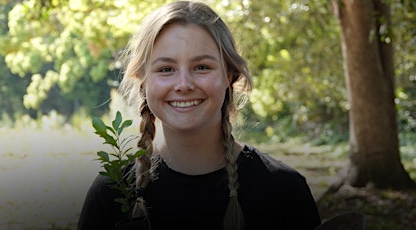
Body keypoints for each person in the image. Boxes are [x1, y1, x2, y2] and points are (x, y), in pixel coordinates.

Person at [78, 1, 321, 229]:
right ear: (143, 81)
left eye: (202, 67)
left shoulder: (283, 190)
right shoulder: (111, 195)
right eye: (166, 69)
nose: (184, 84)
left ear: (229, 75)